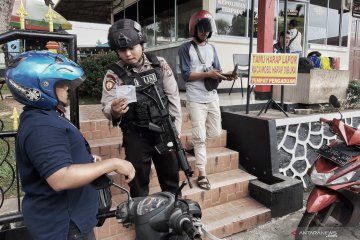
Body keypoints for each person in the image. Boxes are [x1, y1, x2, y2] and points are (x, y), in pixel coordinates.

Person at [5, 51, 135, 240]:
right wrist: (114, 163)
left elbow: (57, 157)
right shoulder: (41, 126)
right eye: (60, 82)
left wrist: (87, 160)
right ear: (42, 86)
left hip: (69, 221)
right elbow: (60, 178)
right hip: (64, 227)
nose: (67, 87)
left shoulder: (45, 116)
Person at [101, 18, 182, 198]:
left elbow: (173, 97)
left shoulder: (159, 64)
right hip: (136, 135)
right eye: (122, 50)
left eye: (132, 48)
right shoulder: (114, 74)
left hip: (163, 130)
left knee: (171, 178)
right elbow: (106, 106)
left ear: (142, 44)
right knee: (138, 183)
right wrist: (114, 110)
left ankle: (174, 214)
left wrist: (175, 130)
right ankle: (141, 218)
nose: (128, 54)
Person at [178, 10, 235, 190]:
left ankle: (194, 145)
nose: (205, 33)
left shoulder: (211, 48)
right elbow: (186, 76)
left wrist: (226, 76)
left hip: (212, 97)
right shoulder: (185, 48)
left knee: (215, 132)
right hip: (195, 98)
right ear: (194, 29)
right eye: (202, 30)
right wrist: (207, 74)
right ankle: (202, 173)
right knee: (200, 137)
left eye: (208, 31)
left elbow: (216, 69)